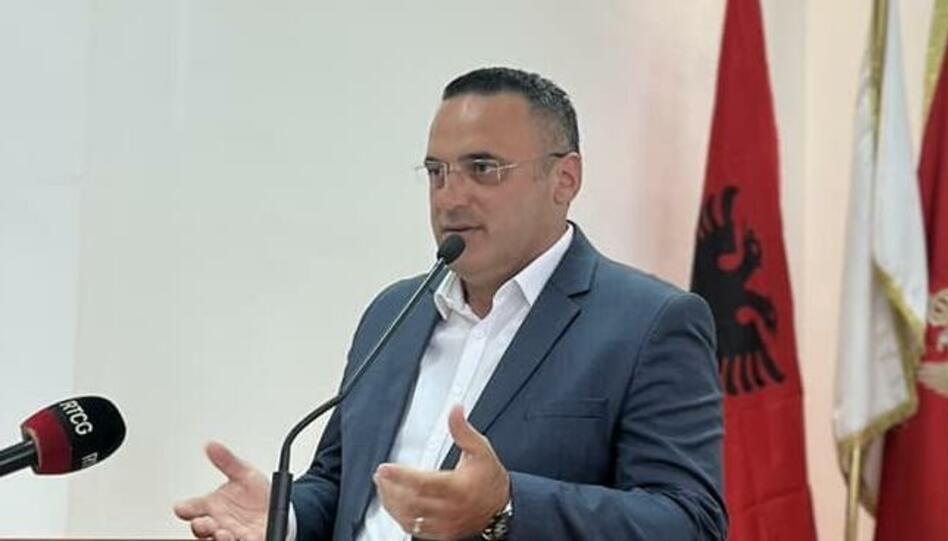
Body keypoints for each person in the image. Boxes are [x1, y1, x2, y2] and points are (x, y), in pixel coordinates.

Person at [174, 67, 727, 541]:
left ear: (565, 178)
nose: (450, 197)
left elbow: (691, 521)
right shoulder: (393, 312)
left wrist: (506, 507)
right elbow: (342, 486)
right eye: (437, 172)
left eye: (482, 169)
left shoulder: (650, 323)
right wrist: (286, 515)